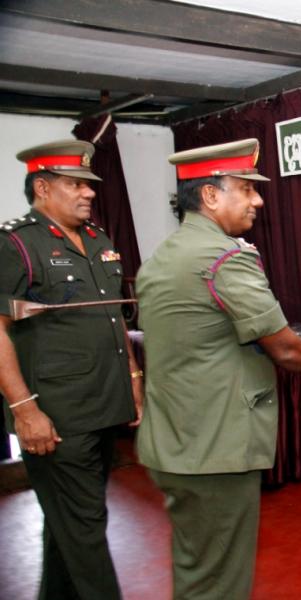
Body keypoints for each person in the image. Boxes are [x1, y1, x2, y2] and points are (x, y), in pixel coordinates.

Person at [135, 138, 301, 600]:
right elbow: (285, 347)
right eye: (247, 188)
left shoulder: (162, 257)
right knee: (220, 583)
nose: (258, 200)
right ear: (210, 195)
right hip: (215, 447)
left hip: (173, 442)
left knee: (196, 569)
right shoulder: (225, 257)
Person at [0, 139, 142, 600]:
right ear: (42, 187)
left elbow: (113, 317)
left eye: (89, 184)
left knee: (70, 523)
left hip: (103, 406)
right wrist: (25, 410)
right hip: (57, 416)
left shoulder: (98, 240)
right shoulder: (16, 243)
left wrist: (133, 380)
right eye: (75, 184)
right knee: (85, 528)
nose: (89, 193)